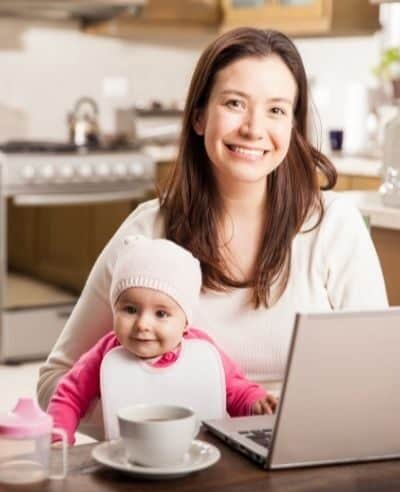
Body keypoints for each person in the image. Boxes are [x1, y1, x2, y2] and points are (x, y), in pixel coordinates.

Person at [38, 27, 388, 440]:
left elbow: (380, 381)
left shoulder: (334, 227)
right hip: (179, 462)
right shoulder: (148, 231)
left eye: (276, 110)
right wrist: (160, 420)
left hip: (302, 454)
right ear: (200, 116)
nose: (254, 129)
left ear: (293, 127)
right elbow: (54, 383)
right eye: (235, 103)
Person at [47, 235, 276, 445]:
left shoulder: (202, 352)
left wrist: (255, 404)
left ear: (185, 322)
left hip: (199, 455)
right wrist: (58, 435)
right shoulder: (106, 353)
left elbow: (236, 389)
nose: (143, 324)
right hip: (127, 457)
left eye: (161, 314)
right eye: (130, 309)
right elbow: (69, 395)